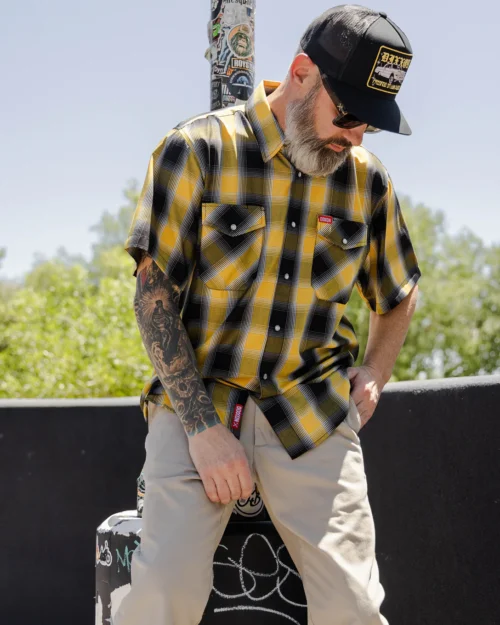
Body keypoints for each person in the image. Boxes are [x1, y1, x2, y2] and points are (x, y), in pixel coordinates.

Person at [116, 5, 421, 625]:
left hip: (312, 409)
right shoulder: (195, 150)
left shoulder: (367, 182)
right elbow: (153, 298)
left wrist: (376, 372)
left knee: (356, 605)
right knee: (161, 592)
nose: (357, 138)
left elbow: (398, 293)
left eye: (371, 124)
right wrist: (203, 430)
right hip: (200, 399)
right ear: (302, 74)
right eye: (349, 116)